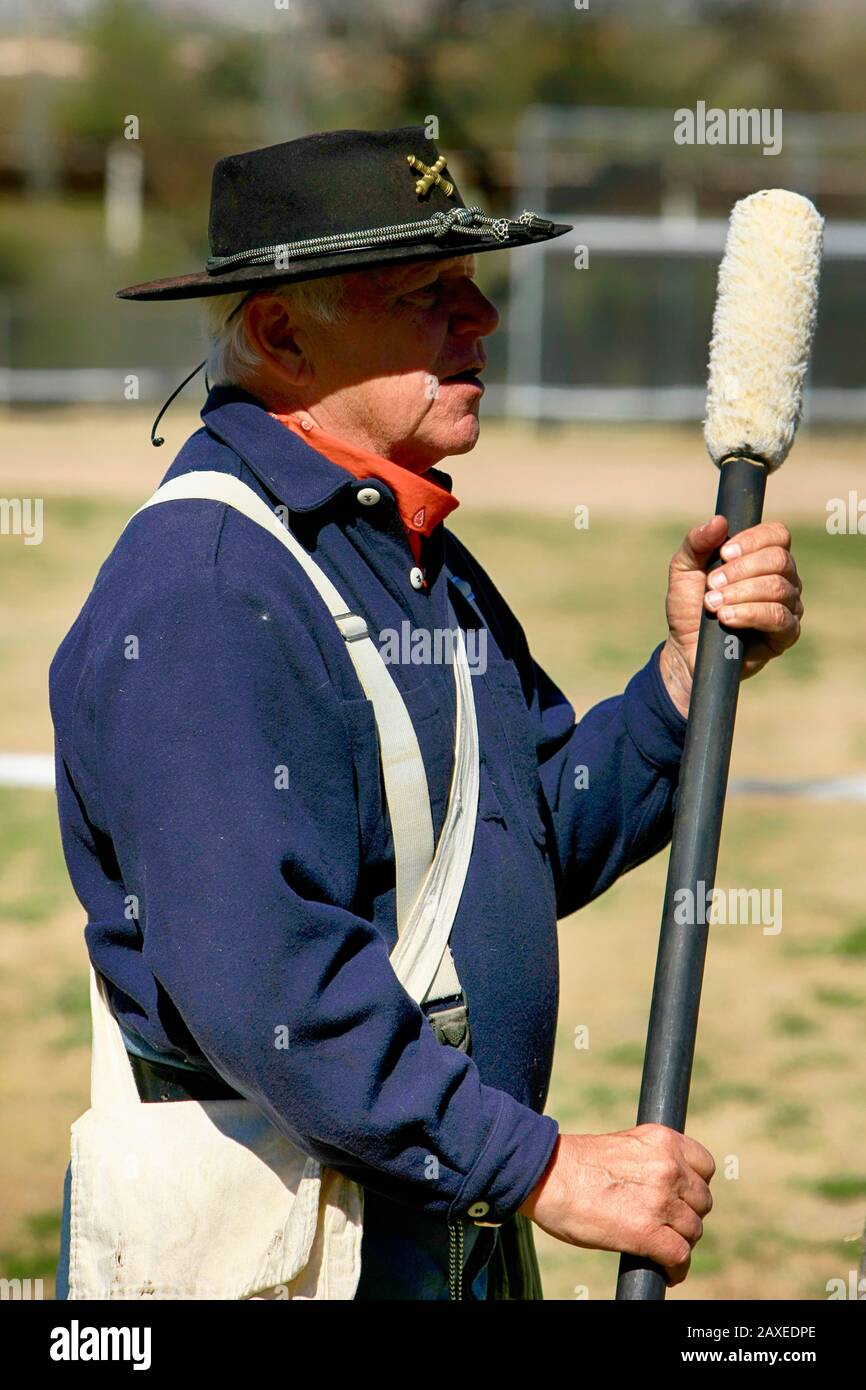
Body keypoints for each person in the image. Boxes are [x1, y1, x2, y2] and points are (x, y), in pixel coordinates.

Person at [50, 125, 803, 1300]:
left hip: (440, 1231)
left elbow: (529, 831)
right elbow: (269, 983)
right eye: (426, 294)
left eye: (473, 283)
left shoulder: (401, 549)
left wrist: (680, 684)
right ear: (280, 331)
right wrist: (537, 1165)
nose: (482, 320)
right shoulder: (205, 587)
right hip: (301, 1255)